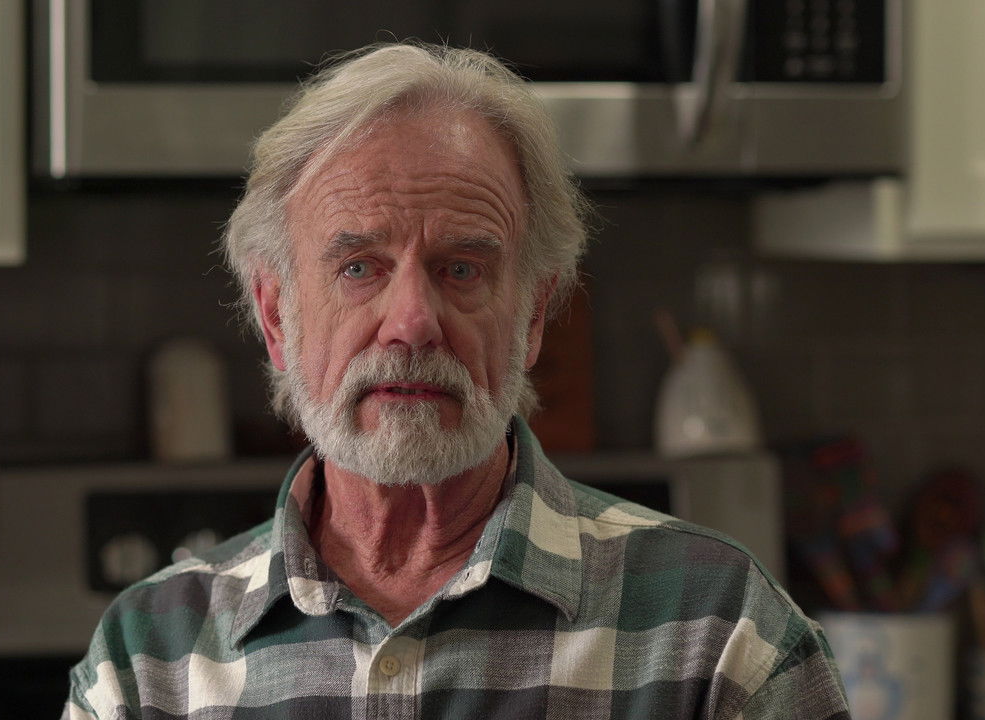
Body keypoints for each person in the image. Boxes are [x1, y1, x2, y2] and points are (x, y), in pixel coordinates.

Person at [63, 43, 850, 719]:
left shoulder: (722, 635)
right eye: (360, 267)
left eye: (462, 268)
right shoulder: (146, 662)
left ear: (533, 316)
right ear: (276, 317)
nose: (412, 322)